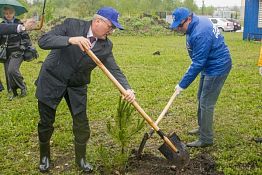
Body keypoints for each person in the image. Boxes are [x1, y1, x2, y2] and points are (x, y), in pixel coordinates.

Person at [35, 7, 135, 173]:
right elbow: (44, 41)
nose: (112, 31)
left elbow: (114, 70)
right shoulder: (71, 25)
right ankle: (44, 156)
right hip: (52, 79)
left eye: (114, 28)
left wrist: (127, 89)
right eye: (111, 26)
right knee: (46, 122)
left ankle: (81, 159)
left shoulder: (105, 46)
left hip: (77, 85)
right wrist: (70, 40)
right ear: (97, 21)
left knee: (81, 124)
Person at [171, 7, 232, 147]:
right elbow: (198, 60)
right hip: (208, 65)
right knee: (201, 97)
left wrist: (182, 84)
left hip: (217, 67)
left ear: (189, 19)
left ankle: (206, 139)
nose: (179, 29)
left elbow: (198, 63)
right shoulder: (194, 26)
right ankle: (202, 127)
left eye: (180, 26)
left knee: (206, 103)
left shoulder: (200, 32)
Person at [0, 6, 33, 99]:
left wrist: (22, 48)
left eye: (10, 13)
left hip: (18, 52)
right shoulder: (2, 25)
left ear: (14, 13)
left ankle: (23, 87)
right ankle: (13, 92)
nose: (8, 15)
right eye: (6, 13)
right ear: (4, 14)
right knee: (8, 73)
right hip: (6, 53)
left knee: (12, 70)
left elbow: (27, 39)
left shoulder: (20, 23)